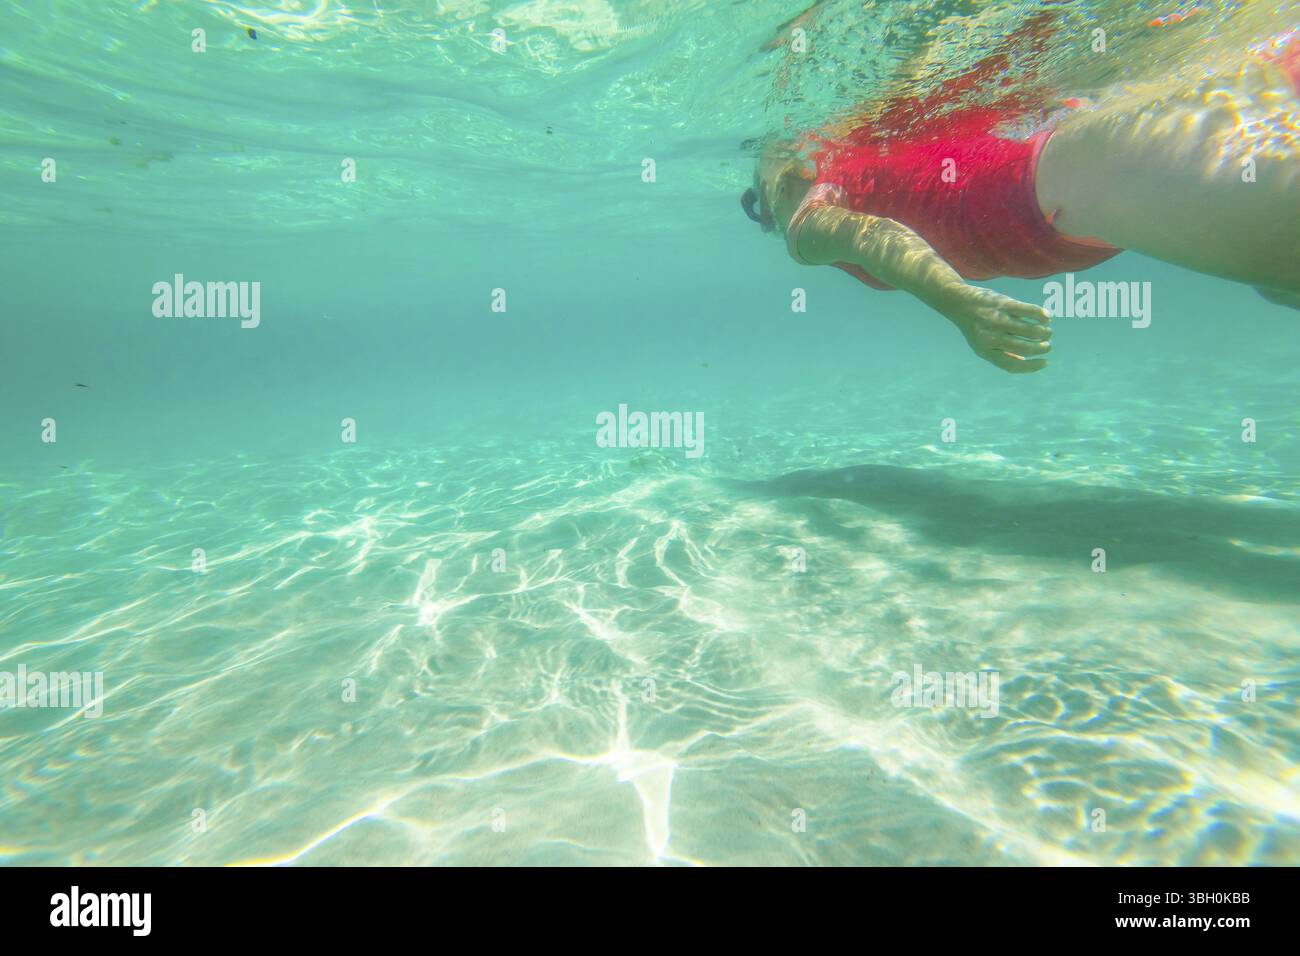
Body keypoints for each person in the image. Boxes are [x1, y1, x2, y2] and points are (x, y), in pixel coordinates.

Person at [743, 21, 1300, 372]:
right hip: (1068, 198)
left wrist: (958, 306)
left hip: (1067, 183)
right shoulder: (847, 167)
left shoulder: (812, 218)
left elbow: (877, 242)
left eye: (763, 210)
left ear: (775, 188)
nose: (773, 224)